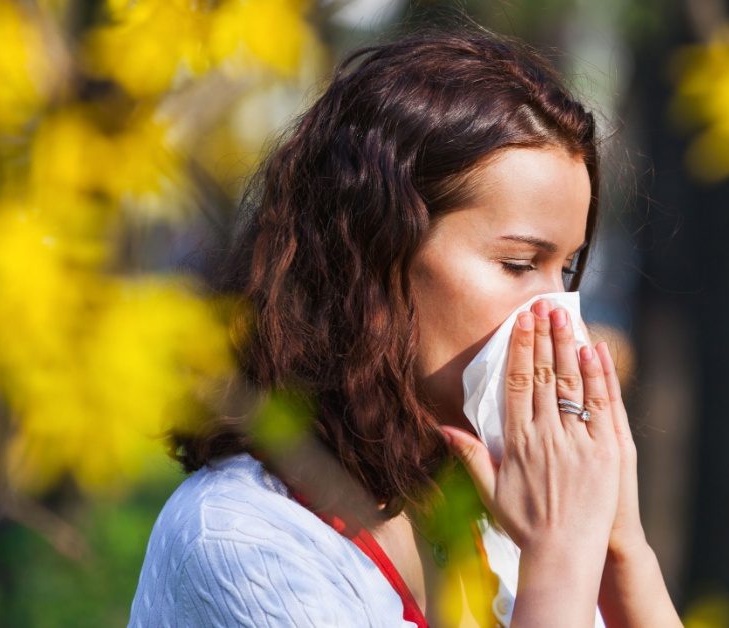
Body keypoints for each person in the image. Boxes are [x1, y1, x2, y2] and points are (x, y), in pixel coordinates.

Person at [128, 24, 681, 627]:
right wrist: (561, 556)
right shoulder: (241, 540)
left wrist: (620, 550)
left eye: (567, 268)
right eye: (520, 264)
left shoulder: (498, 514)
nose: (559, 318)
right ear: (375, 252)